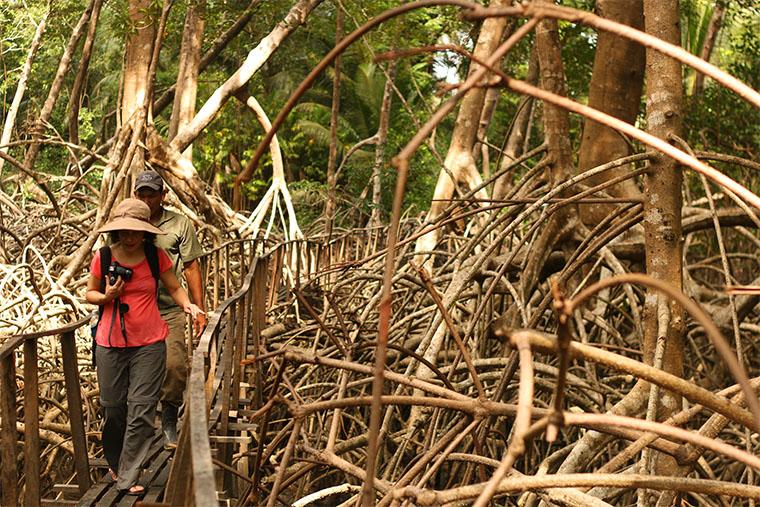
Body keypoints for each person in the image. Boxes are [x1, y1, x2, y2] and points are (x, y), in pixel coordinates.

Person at [86, 198, 204, 495]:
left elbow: (175, 287)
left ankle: (127, 476)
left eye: (136, 232)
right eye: (125, 231)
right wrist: (107, 296)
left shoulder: (156, 256)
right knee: (113, 409)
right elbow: (89, 293)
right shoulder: (103, 256)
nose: (130, 237)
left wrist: (189, 306)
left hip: (149, 343)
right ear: (117, 232)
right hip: (109, 342)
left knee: (141, 409)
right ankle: (116, 461)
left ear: (146, 232)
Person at [133, 170, 207, 446]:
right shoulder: (125, 223)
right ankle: (138, 425)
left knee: (175, 366)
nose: (147, 199)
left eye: (152, 194)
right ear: (135, 196)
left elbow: (191, 267)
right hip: (133, 310)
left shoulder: (179, 224)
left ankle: (168, 416)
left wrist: (199, 309)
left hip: (169, 308)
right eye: (142, 194)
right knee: (135, 370)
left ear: (163, 196)